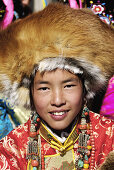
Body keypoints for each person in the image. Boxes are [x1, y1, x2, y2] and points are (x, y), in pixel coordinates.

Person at [0, 2, 114, 170]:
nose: (58, 100)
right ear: (29, 93)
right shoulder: (12, 149)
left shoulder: (109, 138)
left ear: (85, 88)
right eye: (44, 88)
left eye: (68, 86)